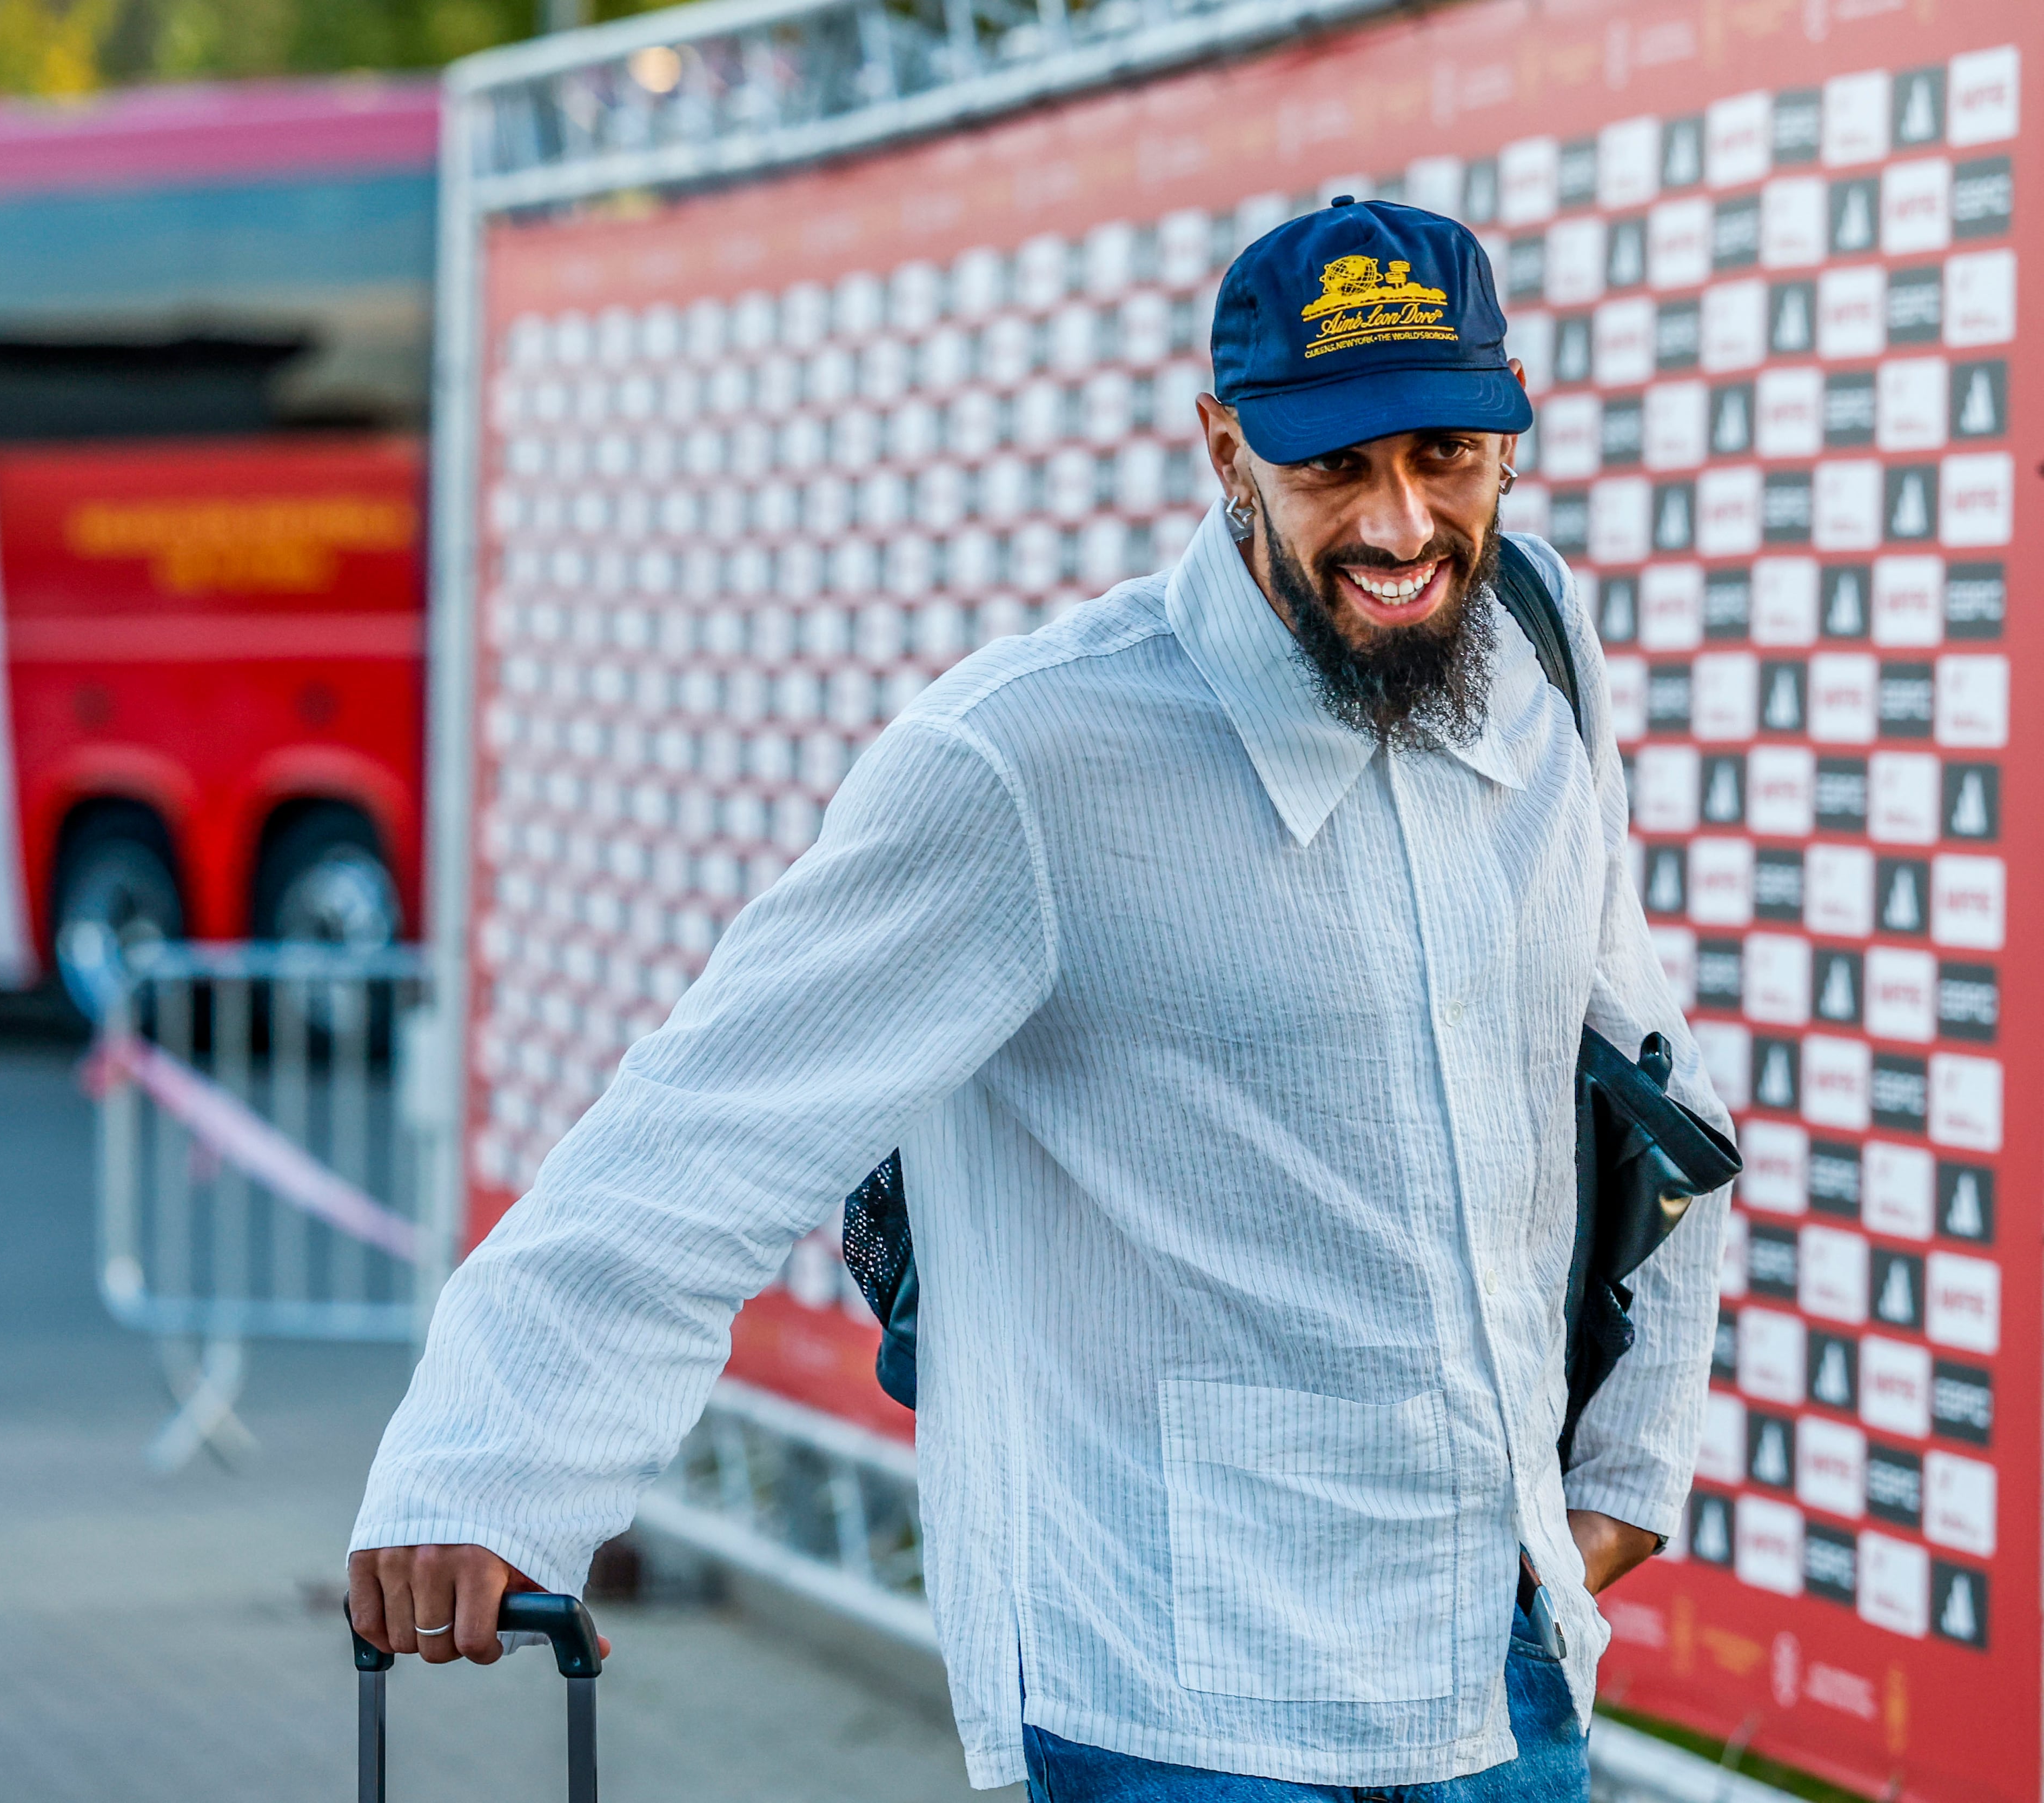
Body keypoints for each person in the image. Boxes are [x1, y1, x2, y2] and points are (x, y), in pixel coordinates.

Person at [348, 197, 1732, 1801]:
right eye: (1334, 466)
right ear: (1226, 452)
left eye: (1445, 453)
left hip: (1503, 1677)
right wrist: (481, 1466)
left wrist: (1630, 1462)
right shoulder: (1026, 759)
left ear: (1511, 438)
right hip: (1175, 1713)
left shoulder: (1538, 645)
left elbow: (1639, 1070)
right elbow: (705, 1135)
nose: (1403, 523)